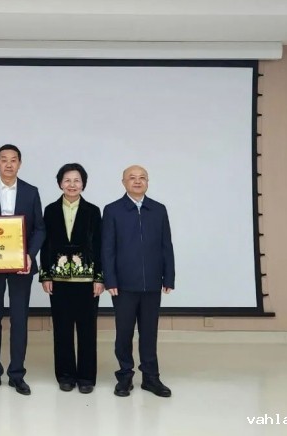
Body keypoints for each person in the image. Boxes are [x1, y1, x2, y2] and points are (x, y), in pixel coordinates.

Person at [0, 144, 46, 396]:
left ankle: (17, 374)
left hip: (20, 266)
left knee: (19, 319)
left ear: (19, 164)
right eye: (3, 160)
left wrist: (29, 255)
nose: (8, 164)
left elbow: (40, 228)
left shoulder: (31, 192)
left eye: (13, 160)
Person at [101, 165, 175, 398]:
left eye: (142, 178)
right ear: (123, 182)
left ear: (147, 182)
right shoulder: (113, 210)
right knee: (124, 333)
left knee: (149, 333)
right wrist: (110, 279)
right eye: (132, 178)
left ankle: (151, 378)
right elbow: (107, 248)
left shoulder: (158, 210)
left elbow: (166, 245)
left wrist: (169, 276)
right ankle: (125, 376)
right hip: (123, 285)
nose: (137, 181)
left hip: (152, 283)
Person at [40, 163, 103, 394]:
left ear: (83, 184)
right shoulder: (50, 210)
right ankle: (65, 375)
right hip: (58, 280)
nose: (72, 185)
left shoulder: (93, 211)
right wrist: (45, 275)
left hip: (87, 281)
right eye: (67, 180)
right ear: (60, 183)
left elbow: (99, 245)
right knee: (62, 330)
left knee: (87, 330)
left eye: (77, 180)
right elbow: (46, 245)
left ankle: (86, 377)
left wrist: (99, 278)